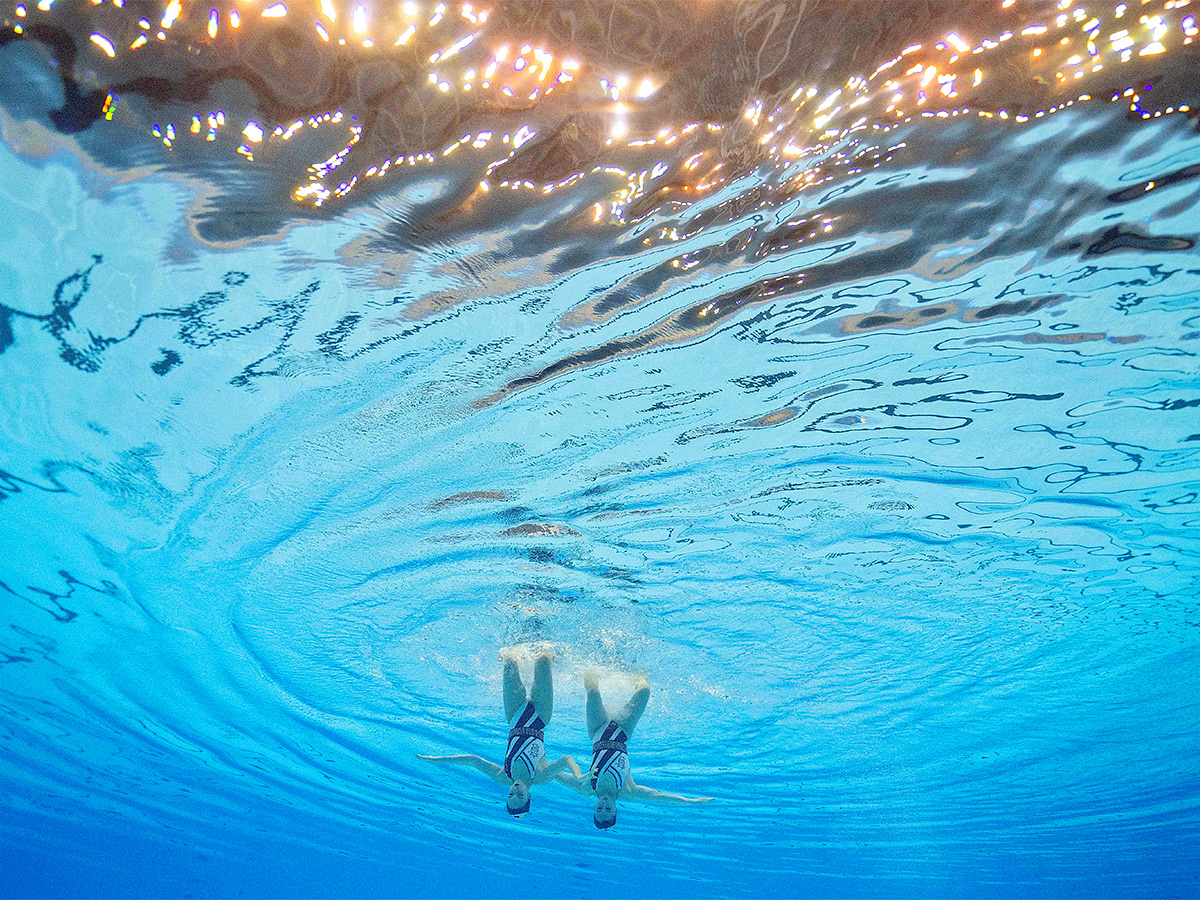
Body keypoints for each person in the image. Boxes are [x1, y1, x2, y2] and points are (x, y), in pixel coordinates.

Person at [418, 651, 576, 817]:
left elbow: (473, 760)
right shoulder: (541, 777)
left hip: (515, 716)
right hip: (540, 717)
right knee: (543, 659)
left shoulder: (503, 776)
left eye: (510, 794)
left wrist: (438, 760)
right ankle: (557, 655)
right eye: (520, 794)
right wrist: (578, 775)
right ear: (529, 795)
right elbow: (566, 761)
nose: (515, 789)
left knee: (510, 659)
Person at [555, 672, 712, 828]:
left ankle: (589, 667)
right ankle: (638, 673)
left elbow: (555, 774)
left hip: (598, 731)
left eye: (599, 808)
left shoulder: (585, 788)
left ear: (594, 808)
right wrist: (689, 801)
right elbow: (657, 796)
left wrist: (535, 773)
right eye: (608, 808)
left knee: (593, 691)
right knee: (644, 691)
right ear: (615, 810)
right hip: (623, 731)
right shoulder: (628, 790)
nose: (603, 804)